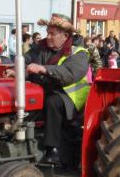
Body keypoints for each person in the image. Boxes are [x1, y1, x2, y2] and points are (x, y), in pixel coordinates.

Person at [7, 14, 89, 167]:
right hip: (45, 89)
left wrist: (44, 69)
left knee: (52, 102)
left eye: (53, 34)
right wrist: (16, 70)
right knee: (21, 98)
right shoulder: (40, 48)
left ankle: (53, 149)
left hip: (70, 95)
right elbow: (26, 60)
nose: (48, 37)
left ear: (65, 35)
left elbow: (69, 74)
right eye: (48, 33)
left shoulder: (79, 53)